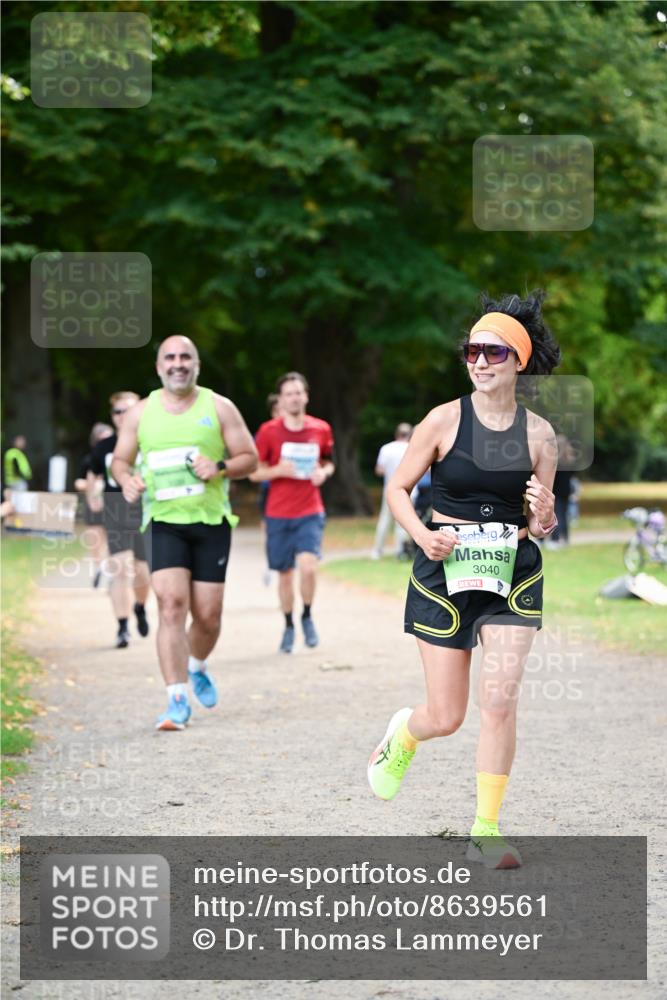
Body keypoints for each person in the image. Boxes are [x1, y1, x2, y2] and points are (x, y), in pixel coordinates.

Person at [367, 290, 560, 870]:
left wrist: (544, 515)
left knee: (498, 701)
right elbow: (397, 490)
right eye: (472, 350)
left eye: (493, 352)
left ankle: (486, 828)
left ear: (517, 361)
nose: (479, 360)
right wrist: (423, 536)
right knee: (446, 716)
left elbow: (541, 522)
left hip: (512, 573)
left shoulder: (541, 435)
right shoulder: (443, 419)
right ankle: (405, 734)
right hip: (443, 570)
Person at [111, 335, 258, 731]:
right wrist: (126, 479)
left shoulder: (220, 407)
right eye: (170, 358)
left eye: (185, 357)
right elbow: (119, 461)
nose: (178, 363)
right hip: (163, 521)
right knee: (171, 605)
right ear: (159, 367)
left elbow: (251, 458)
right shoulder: (140, 413)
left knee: (208, 616)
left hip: (210, 523)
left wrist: (221, 466)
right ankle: (176, 700)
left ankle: (196, 665)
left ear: (196, 364)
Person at [251, 372, 335, 654]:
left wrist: (323, 473)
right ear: (281, 399)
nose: (294, 397)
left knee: (309, 568)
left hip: (310, 509)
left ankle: (307, 615)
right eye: (289, 393)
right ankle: (288, 625)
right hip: (278, 513)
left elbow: (328, 461)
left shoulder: (320, 428)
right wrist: (276, 471)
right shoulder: (268, 431)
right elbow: (254, 471)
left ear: (306, 396)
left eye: (299, 392)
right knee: (285, 575)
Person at [89, 396, 151, 647]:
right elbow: (92, 474)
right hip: (115, 508)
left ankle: (140, 606)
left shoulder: (149, 440)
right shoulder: (105, 446)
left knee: (142, 571)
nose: (123, 415)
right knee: (119, 569)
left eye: (129, 409)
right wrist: (93, 497)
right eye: (117, 411)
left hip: (145, 507)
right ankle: (122, 627)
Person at [75, 422, 113, 587]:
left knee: (113, 541)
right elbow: (78, 482)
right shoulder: (89, 460)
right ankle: (99, 569)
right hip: (94, 503)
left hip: (113, 505)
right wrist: (93, 485)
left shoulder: (118, 459)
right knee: (96, 540)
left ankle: (111, 570)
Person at [371, 423, 413, 560]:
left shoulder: (386, 448)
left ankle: (377, 551)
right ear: (409, 435)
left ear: (397, 434)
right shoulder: (411, 448)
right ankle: (399, 551)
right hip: (408, 490)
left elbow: (379, 470)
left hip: (389, 489)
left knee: (384, 520)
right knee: (402, 522)